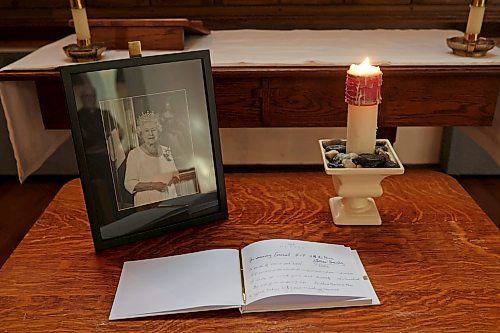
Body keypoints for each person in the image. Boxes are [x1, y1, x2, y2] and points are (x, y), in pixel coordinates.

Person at [124, 111, 180, 207]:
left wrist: (171, 183)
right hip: (147, 203)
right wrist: (153, 186)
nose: (151, 134)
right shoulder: (134, 154)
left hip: (169, 199)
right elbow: (129, 183)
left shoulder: (166, 150)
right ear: (141, 134)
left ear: (158, 131)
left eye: (153, 130)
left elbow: (176, 175)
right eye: (146, 131)